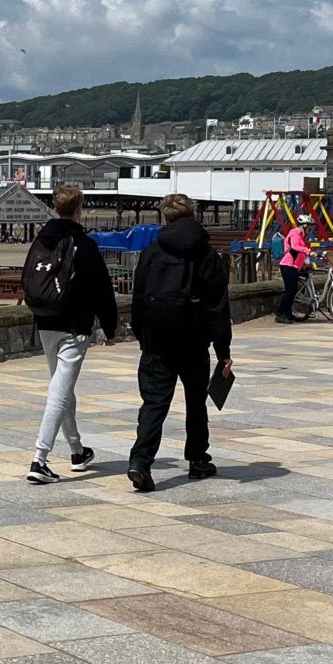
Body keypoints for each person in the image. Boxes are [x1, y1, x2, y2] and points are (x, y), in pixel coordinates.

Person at [126, 193, 232, 493]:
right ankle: (198, 459)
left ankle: (141, 461)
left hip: (157, 339)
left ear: (165, 217)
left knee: (155, 402)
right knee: (196, 401)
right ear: (193, 215)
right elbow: (218, 307)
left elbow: (137, 302)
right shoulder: (207, 255)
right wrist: (223, 350)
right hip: (194, 339)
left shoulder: (151, 252)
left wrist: (143, 337)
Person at [22, 183, 119, 484]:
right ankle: (40, 459)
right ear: (79, 210)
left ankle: (77, 450)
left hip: (45, 321)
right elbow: (102, 288)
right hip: (74, 326)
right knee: (59, 391)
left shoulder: (42, 238)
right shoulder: (83, 244)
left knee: (61, 387)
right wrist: (110, 326)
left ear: (55, 207)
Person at [273, 214, 312, 324]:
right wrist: (308, 250)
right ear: (304, 225)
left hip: (294, 266)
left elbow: (300, 254)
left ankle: (288, 314)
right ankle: (280, 314)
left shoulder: (302, 236)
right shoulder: (295, 232)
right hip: (287, 265)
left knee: (293, 291)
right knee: (289, 291)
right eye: (309, 227)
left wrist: (307, 264)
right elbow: (295, 247)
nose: (310, 229)